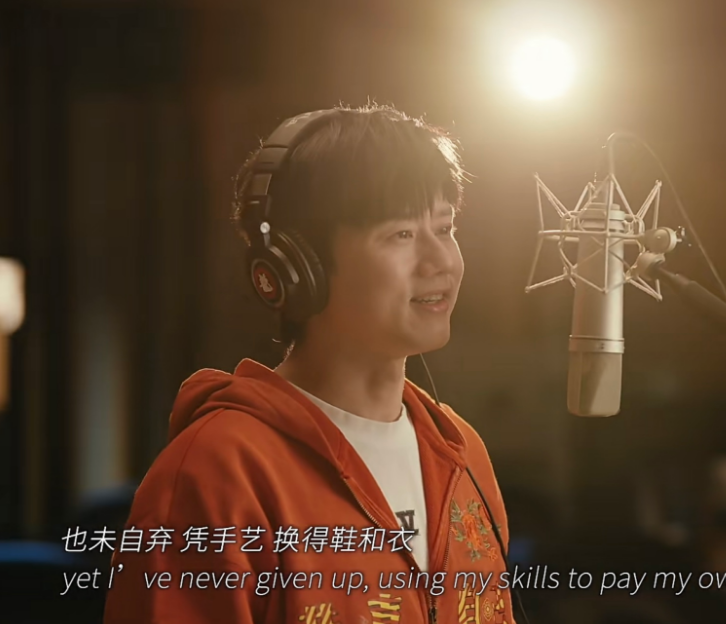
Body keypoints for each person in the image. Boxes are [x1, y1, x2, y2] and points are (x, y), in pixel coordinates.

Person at [104, 104, 515, 624]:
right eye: (402, 235)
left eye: (445, 227)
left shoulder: (460, 452)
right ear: (300, 266)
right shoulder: (217, 470)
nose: (441, 262)